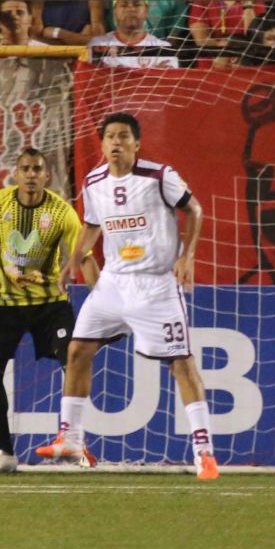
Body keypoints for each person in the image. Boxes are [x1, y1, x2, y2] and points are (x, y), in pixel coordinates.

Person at [48, 112, 219, 479]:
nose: (116, 142)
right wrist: (72, 262)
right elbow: (92, 225)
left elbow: (195, 209)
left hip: (155, 284)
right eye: (110, 136)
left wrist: (187, 256)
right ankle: (70, 437)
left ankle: (204, 452)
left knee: (181, 365)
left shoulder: (159, 176)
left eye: (124, 136)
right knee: (78, 350)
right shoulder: (94, 181)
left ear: (136, 144)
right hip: (112, 282)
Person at [0, 147, 88, 474]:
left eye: (37, 169)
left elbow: (84, 256)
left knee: (73, 362)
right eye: (25, 169)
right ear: (15, 174)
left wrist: (102, 294)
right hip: (6, 306)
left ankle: (76, 442)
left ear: (47, 176)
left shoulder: (62, 213)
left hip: (51, 304)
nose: (31, 174)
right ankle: (4, 453)